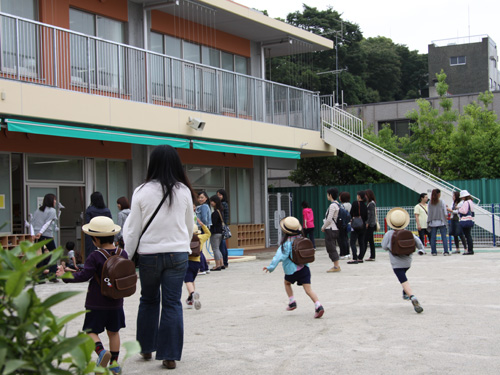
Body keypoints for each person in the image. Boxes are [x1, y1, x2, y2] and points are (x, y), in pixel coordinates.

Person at [123, 144, 195, 370]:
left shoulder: (141, 191)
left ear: (152, 164)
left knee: (149, 299)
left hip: (149, 255)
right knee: (172, 303)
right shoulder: (183, 191)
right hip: (178, 255)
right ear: (176, 164)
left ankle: (145, 347)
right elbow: (189, 227)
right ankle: (170, 355)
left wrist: (126, 255)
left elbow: (132, 229)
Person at [56, 216, 126, 374]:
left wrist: (65, 277)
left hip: (96, 302)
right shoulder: (123, 253)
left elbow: (84, 275)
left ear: (95, 239)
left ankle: (101, 352)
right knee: (114, 332)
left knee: (90, 331)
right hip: (116, 302)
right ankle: (114, 365)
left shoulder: (95, 256)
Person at [263, 216, 325, 319]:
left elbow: (278, 258)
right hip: (305, 269)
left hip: (292, 271)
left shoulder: (286, 244)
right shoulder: (303, 239)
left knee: (287, 283)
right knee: (308, 290)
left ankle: (292, 301)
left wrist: (270, 268)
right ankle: (318, 305)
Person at [381, 208, 424, 314]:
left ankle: (412, 297)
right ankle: (405, 293)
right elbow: (418, 242)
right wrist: (421, 249)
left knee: (403, 280)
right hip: (408, 262)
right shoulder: (409, 233)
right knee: (404, 277)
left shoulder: (389, 234)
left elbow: (384, 247)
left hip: (396, 263)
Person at [185, 218, 211, 310]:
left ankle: (192, 294)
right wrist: (203, 225)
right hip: (197, 262)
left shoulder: (186, 238)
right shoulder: (201, 238)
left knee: (187, 280)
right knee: (192, 280)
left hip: (187, 261)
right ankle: (190, 299)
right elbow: (208, 233)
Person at [32, 193, 58, 280]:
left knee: (40, 255)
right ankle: (52, 275)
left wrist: (34, 234)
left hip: (37, 235)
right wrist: (41, 232)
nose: (55, 201)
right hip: (46, 234)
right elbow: (47, 223)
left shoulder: (38, 210)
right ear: (51, 201)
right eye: (54, 199)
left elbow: (32, 222)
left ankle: (39, 276)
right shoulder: (52, 211)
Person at [85, 192, 112, 260]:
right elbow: (110, 222)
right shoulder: (107, 210)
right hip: (106, 234)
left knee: (92, 254)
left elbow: (87, 223)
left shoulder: (89, 210)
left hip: (92, 235)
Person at [321, 188, 341, 273]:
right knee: (332, 247)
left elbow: (329, 219)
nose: (327, 196)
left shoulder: (332, 205)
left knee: (331, 247)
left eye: (327, 194)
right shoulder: (338, 204)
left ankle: (336, 266)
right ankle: (336, 265)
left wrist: (323, 227)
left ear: (330, 195)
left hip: (331, 229)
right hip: (335, 229)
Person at [427, 189, 450, 256]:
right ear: (439, 194)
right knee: (444, 237)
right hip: (441, 221)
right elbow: (445, 211)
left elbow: (429, 212)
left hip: (433, 221)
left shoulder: (429, 202)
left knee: (433, 237)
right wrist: (445, 218)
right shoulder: (442, 201)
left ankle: (433, 251)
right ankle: (446, 251)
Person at [348, 191, 368, 264]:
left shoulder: (355, 203)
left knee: (352, 242)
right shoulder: (365, 205)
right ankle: (360, 258)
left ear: (359, 196)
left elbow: (351, 213)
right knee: (361, 242)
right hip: (363, 225)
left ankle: (354, 258)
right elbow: (366, 217)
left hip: (355, 225)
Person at [196, 191, 212, 274]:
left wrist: (202, 226)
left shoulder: (204, 206)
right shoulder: (204, 206)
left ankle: (202, 268)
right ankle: (205, 268)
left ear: (206, 198)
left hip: (201, 229)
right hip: (203, 229)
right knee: (200, 249)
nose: (200, 199)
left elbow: (204, 219)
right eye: (199, 197)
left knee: (199, 249)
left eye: (202, 197)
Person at [209, 195, 224, 271]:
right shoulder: (220, 211)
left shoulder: (215, 213)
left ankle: (217, 265)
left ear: (216, 202)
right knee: (217, 249)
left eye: (212, 201)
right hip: (220, 232)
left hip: (215, 233)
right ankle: (221, 264)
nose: (211, 203)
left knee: (215, 249)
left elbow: (213, 224)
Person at [459, 190, 475, 255]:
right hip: (470, 219)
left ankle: (470, 250)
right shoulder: (471, 202)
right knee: (469, 235)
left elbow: (464, 211)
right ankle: (471, 249)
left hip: (465, 220)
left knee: (467, 235)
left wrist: (459, 210)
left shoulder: (466, 202)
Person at [217, 189, 230, 268]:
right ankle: (225, 262)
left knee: (222, 245)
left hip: (222, 227)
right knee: (223, 245)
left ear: (223, 196)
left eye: (220, 195)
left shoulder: (223, 204)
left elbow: (224, 217)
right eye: (217, 195)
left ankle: (224, 262)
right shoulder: (224, 204)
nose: (218, 196)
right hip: (224, 226)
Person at [364, 189, 377, 261]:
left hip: (370, 224)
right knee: (371, 240)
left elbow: (371, 214)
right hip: (371, 223)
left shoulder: (371, 204)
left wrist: (367, 223)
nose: (365, 196)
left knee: (366, 240)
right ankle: (372, 256)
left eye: (366, 195)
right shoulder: (371, 203)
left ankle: (362, 255)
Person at [339, 192, 352, 259]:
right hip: (348, 223)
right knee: (346, 238)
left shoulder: (342, 206)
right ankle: (348, 253)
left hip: (342, 223)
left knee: (342, 238)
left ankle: (343, 253)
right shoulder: (350, 205)